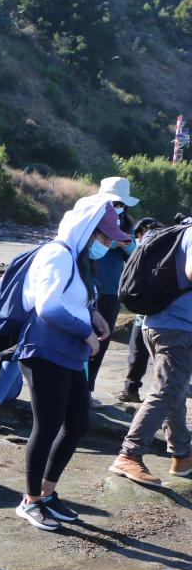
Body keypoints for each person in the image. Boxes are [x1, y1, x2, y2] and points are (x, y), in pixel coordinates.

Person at [14, 196, 129, 531]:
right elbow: (48, 308)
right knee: (47, 426)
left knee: (77, 423)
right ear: (87, 231)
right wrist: (86, 332)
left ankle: (47, 493)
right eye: (104, 237)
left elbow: (73, 298)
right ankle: (30, 500)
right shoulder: (56, 254)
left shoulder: (76, 258)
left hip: (70, 353)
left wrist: (93, 316)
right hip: (45, 350)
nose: (107, 243)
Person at [109, 221, 192, 485]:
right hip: (177, 328)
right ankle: (129, 455)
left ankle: (183, 455)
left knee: (174, 391)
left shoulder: (181, 231)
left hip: (157, 323)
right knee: (167, 391)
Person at [86, 179, 140, 401]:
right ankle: (74, 389)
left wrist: (126, 244)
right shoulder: (89, 218)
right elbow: (85, 251)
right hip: (87, 288)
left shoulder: (127, 225)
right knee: (79, 339)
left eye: (121, 203)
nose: (118, 206)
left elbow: (135, 256)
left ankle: (86, 391)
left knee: (101, 341)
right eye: (115, 202)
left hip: (110, 291)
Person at [118, 217, 163, 403]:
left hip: (152, 312)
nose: (142, 237)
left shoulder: (149, 252)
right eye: (139, 234)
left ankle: (137, 390)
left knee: (140, 351)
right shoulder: (161, 250)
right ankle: (132, 389)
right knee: (138, 351)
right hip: (148, 312)